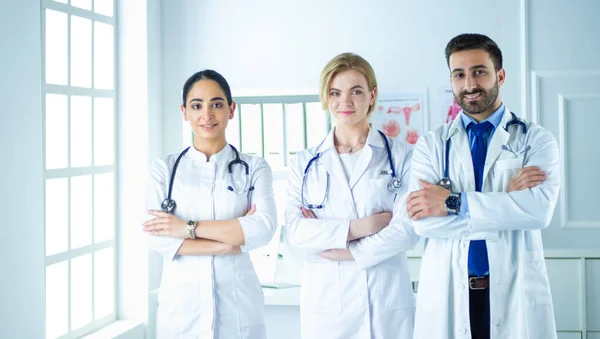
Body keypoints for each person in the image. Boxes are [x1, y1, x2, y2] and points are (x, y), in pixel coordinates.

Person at [407, 33, 560, 339]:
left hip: (513, 287)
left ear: (500, 75)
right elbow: (423, 224)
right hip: (450, 291)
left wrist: (452, 203)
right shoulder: (432, 145)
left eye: (479, 71)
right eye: (459, 74)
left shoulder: (535, 139)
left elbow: (538, 213)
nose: (469, 85)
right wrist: (507, 204)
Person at [285, 52, 418, 339]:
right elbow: (296, 232)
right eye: (336, 92)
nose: (345, 102)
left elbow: (408, 229)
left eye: (356, 91)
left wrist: (348, 251)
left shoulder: (403, 156)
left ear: (372, 94)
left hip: (386, 302)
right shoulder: (304, 163)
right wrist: (366, 227)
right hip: (328, 307)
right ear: (326, 97)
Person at [143, 70, 277, 339]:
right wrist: (225, 243)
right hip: (183, 310)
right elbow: (156, 239)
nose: (207, 114)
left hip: (238, 307)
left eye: (217, 104)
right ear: (184, 112)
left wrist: (184, 227)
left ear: (231, 109)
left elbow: (262, 229)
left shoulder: (254, 167)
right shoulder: (164, 170)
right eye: (196, 106)